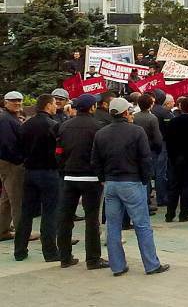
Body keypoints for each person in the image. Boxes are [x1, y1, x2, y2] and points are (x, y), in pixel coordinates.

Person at [91, 97, 168, 276]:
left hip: (111, 184)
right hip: (132, 182)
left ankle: (117, 266)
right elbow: (145, 158)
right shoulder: (136, 132)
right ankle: (151, 264)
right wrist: (145, 179)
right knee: (142, 225)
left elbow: (95, 161)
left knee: (113, 226)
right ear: (126, 113)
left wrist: (103, 178)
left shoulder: (101, 133)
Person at [56, 94, 109, 270]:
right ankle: (93, 259)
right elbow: (101, 154)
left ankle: (64, 257)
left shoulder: (64, 126)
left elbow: (58, 152)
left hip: (69, 177)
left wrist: (63, 171)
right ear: (92, 107)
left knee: (65, 218)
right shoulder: (98, 127)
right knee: (91, 219)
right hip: (91, 178)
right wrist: (101, 175)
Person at [14, 95, 60, 262]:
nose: (57, 107)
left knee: (26, 212)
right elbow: (59, 151)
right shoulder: (54, 126)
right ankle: (50, 252)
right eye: (55, 104)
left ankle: (19, 250)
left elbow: (18, 148)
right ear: (48, 106)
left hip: (30, 172)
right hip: (49, 172)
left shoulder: (25, 125)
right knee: (50, 212)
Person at [165, 97, 188, 223]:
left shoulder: (173, 121)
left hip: (175, 158)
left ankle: (169, 214)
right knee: (187, 186)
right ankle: (184, 213)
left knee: (174, 186)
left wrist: (171, 156)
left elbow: (168, 140)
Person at [0, 91, 25, 242]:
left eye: (19, 100)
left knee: (7, 198)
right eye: (13, 101)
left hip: (7, 162)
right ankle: (22, 232)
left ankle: (2, 230)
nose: (17, 103)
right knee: (17, 198)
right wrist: (20, 160)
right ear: (5, 102)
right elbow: (8, 144)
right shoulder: (5, 120)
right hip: (11, 163)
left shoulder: (9, 118)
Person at [151, 89, 174, 206]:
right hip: (162, 144)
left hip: (149, 145)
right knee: (161, 172)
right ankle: (161, 197)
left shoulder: (151, 111)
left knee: (151, 172)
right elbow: (171, 130)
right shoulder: (165, 113)